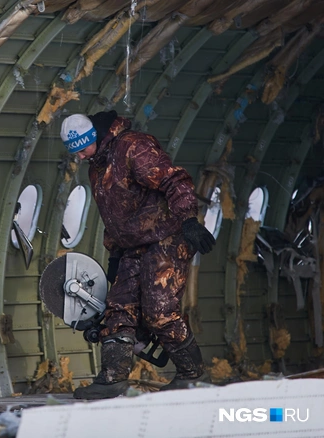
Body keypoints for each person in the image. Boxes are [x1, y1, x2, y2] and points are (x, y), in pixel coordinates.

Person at [60, 111, 216, 399]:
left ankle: (193, 375)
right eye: (76, 153)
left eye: (82, 149)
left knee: (159, 312)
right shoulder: (96, 167)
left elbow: (173, 180)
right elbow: (115, 217)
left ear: (93, 138)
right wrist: (114, 260)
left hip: (166, 237)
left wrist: (189, 220)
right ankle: (112, 379)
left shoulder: (133, 148)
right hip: (132, 245)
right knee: (118, 309)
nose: (80, 157)